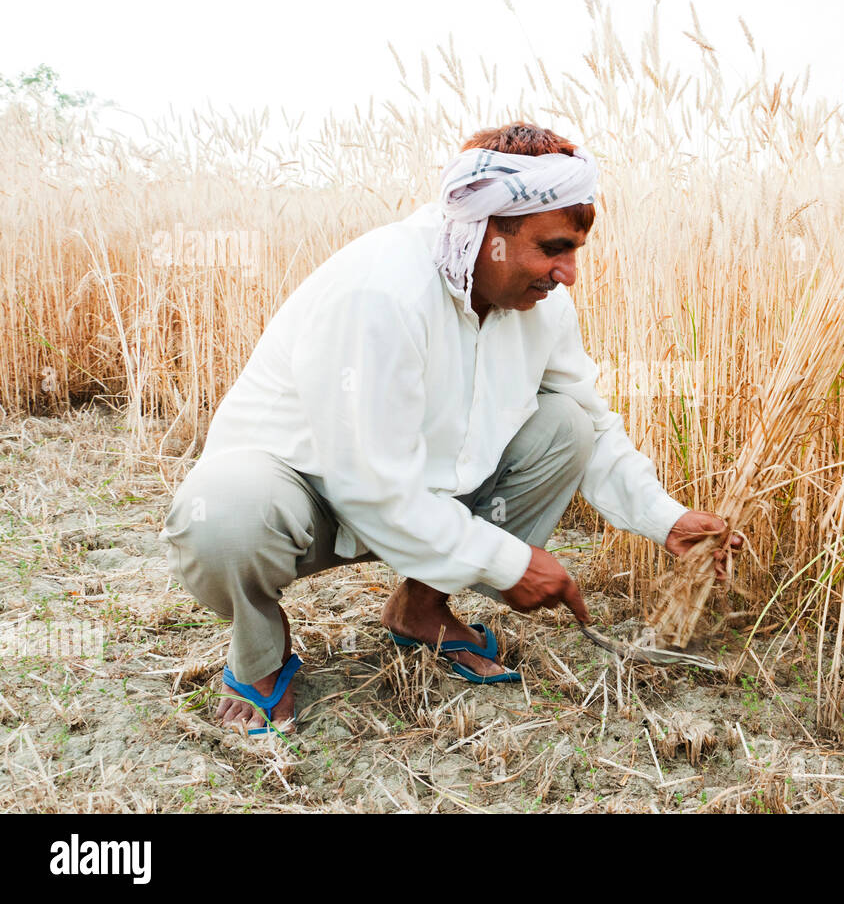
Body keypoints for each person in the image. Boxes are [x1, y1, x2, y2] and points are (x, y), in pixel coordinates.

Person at [160, 122, 741, 734]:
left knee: (566, 423)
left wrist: (663, 517)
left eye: (575, 251)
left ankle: (421, 607)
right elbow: (368, 485)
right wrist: (506, 561)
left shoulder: (542, 305)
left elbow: (592, 423)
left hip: (418, 492)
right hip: (305, 491)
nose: (568, 272)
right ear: (485, 230)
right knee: (220, 515)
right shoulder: (381, 291)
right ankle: (258, 656)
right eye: (552, 248)